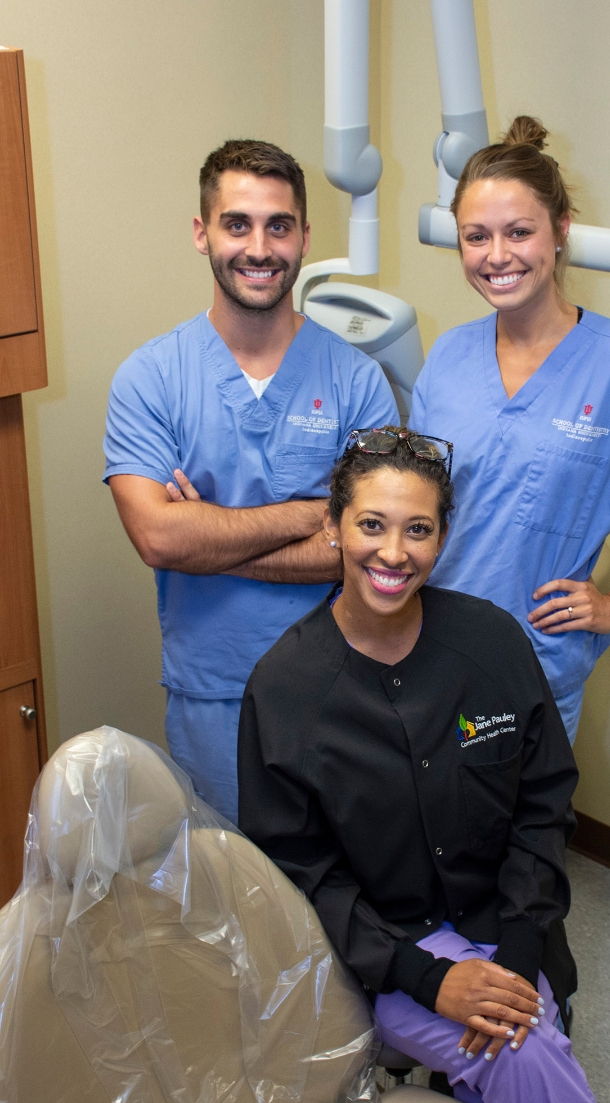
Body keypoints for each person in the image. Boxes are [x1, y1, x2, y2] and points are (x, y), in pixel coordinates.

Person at [238, 428, 610, 1103]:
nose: (393, 552)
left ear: (443, 536)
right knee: (525, 1049)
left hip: (507, 929)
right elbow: (305, 880)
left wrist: (516, 958)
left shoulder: (491, 644)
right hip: (384, 955)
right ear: (332, 526)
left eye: (418, 529)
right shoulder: (285, 691)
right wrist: (429, 978)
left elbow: (543, 809)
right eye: (370, 524)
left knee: (520, 1032)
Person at [410, 116, 610, 741]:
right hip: (425, 647)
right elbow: (421, 501)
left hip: (533, 667)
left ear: (560, 231)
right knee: (419, 831)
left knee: (510, 832)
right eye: (476, 236)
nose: (496, 256)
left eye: (519, 232)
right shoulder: (448, 357)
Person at [103, 140, 398, 822]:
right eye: (237, 224)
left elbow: (371, 551)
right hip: (213, 696)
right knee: (229, 896)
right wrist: (310, 515)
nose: (259, 247)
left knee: (339, 893)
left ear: (303, 237)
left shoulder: (357, 380)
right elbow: (159, 536)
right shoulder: (151, 379)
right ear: (202, 232)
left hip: (341, 685)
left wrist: (211, 534)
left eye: (279, 225)